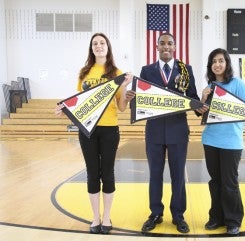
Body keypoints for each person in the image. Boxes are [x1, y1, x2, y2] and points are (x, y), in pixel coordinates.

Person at [55, 32, 134, 235]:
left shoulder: (116, 72)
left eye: (102, 43)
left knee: (107, 173)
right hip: (87, 130)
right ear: (92, 48)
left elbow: (122, 107)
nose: (98, 46)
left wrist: (125, 88)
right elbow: (79, 102)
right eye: (95, 43)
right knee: (92, 174)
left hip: (110, 129)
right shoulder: (84, 72)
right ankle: (95, 217)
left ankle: (106, 216)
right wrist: (63, 109)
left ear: (108, 47)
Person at [139, 32, 207, 234]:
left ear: (175, 47)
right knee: (155, 175)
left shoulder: (186, 70)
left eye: (170, 43)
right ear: (157, 47)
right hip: (154, 130)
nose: (166, 46)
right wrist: (134, 97)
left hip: (178, 130)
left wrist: (199, 106)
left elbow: (192, 96)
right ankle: (155, 214)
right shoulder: (147, 70)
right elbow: (142, 99)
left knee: (178, 175)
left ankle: (178, 215)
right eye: (162, 43)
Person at [200, 48, 245, 235]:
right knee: (215, 182)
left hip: (231, 142)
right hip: (210, 140)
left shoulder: (237, 84)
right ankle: (216, 218)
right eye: (214, 61)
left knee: (229, 183)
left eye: (221, 60)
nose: (217, 64)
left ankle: (233, 220)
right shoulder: (209, 86)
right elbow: (202, 113)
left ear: (226, 63)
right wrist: (203, 97)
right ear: (210, 66)